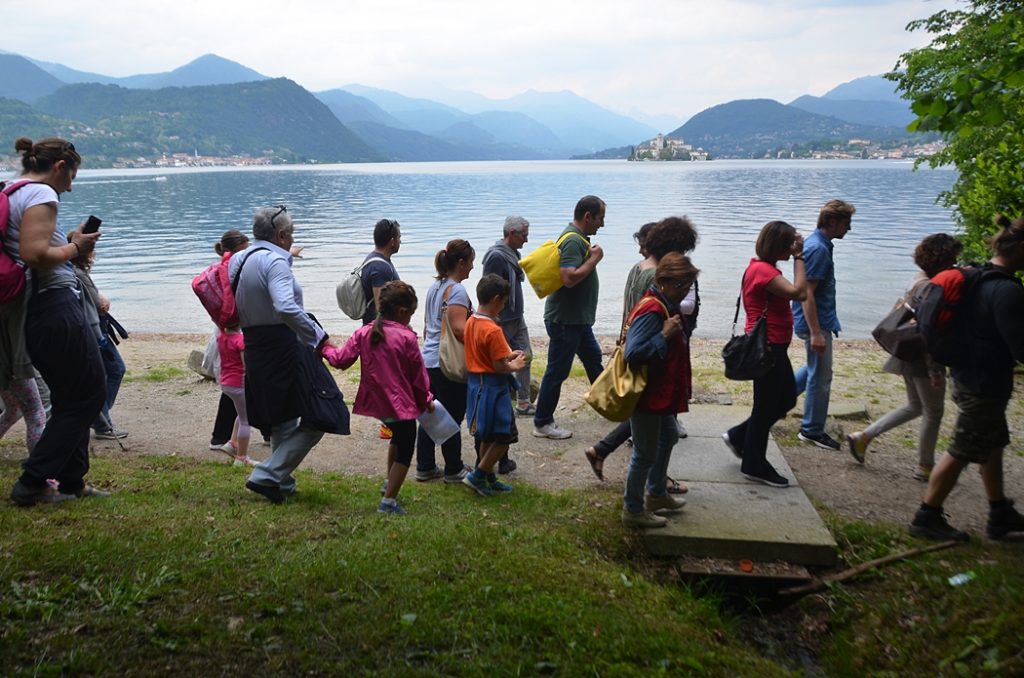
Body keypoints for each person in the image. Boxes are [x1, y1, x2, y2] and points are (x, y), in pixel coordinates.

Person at [6, 137, 108, 506]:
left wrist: (68, 245)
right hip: (55, 308)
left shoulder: (12, 191)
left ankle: (71, 481)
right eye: (72, 175)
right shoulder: (41, 195)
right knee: (91, 392)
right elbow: (35, 254)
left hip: (35, 311)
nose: (71, 185)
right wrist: (75, 248)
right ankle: (33, 481)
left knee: (70, 397)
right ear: (60, 166)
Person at [909, 215, 1024, 542]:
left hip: (967, 374)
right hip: (983, 383)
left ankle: (999, 511)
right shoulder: (1006, 291)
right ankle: (925, 517)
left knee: (992, 443)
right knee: (962, 449)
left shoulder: (976, 276)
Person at [584, 217, 697, 483]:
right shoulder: (656, 276)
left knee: (659, 427)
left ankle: (606, 453)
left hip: (638, 345)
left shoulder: (639, 267)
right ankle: (651, 487)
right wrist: (662, 336)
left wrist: (624, 340)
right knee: (649, 426)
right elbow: (647, 315)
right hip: (649, 358)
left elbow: (630, 309)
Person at [231, 205, 328, 504]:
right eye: (291, 234)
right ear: (281, 235)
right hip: (281, 345)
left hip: (254, 344)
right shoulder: (275, 262)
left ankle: (279, 483)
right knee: (323, 413)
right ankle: (266, 474)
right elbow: (285, 306)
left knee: (282, 420)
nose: (292, 239)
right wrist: (316, 334)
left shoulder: (239, 258)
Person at [846, 234, 961, 481]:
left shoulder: (917, 280)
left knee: (916, 406)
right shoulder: (933, 287)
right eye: (953, 257)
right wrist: (935, 370)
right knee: (933, 411)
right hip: (923, 357)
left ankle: (863, 437)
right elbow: (929, 331)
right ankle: (925, 466)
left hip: (907, 353)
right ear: (944, 258)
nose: (955, 262)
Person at [322, 281, 433, 516]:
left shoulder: (365, 332)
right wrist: (426, 400)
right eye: (411, 314)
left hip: (378, 402)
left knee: (397, 437)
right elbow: (418, 378)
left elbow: (341, 360)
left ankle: (388, 483)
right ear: (403, 312)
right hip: (399, 403)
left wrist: (324, 348)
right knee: (406, 446)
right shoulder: (406, 338)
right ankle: (389, 502)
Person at [722, 221, 807, 488]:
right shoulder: (763, 272)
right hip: (767, 346)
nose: (791, 247)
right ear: (778, 245)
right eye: (788, 243)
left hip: (771, 345)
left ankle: (739, 437)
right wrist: (800, 256)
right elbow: (799, 292)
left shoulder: (763, 268)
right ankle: (754, 463)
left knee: (782, 400)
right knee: (769, 404)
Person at [621, 253, 699, 529]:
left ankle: (656, 493)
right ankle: (633, 509)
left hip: (659, 392)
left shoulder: (664, 303)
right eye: (683, 286)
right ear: (666, 282)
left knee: (668, 435)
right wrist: (664, 335)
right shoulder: (652, 309)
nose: (686, 292)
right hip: (646, 394)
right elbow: (634, 352)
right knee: (644, 452)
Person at [532, 195, 606, 440]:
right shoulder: (574, 241)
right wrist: (594, 260)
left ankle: (611, 406)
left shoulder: (577, 238)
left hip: (577, 320)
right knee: (557, 371)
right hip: (565, 321)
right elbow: (568, 277)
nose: (602, 224)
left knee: (594, 359)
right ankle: (542, 422)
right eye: (600, 218)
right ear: (588, 216)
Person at [793, 199, 856, 451]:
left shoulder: (818, 245)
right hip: (814, 324)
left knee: (812, 369)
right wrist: (816, 332)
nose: (849, 228)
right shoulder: (818, 248)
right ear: (832, 222)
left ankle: (776, 401)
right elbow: (807, 292)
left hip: (815, 321)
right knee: (821, 377)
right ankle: (811, 430)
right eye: (846, 223)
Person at [414, 239, 475, 483]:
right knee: (451, 416)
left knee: (431, 413)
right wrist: (482, 328)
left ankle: (425, 465)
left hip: (428, 359)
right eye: (470, 262)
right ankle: (454, 469)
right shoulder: (457, 290)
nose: (472, 267)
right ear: (460, 263)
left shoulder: (435, 287)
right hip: (446, 363)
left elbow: (430, 324)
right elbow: (460, 330)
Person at [462, 274, 528, 497]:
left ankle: (488, 477)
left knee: (487, 435)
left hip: (475, 386)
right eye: (505, 301)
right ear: (497, 299)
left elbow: (486, 354)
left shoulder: (471, 321)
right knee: (504, 437)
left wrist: (508, 355)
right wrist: (515, 364)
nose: (505, 306)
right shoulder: (493, 330)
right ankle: (478, 475)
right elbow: (499, 366)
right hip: (494, 389)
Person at [482, 216, 531, 474]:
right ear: (511, 233)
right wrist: (495, 317)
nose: (527, 239)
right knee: (504, 362)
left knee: (527, 356)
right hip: (503, 319)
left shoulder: (511, 253)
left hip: (516, 317)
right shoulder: (496, 256)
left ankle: (523, 400)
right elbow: (491, 287)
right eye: (524, 234)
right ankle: (514, 396)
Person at [68, 234, 128, 440]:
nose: (94, 253)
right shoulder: (79, 274)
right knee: (115, 369)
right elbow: (100, 306)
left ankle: (99, 418)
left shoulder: (69, 271)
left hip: (85, 331)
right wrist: (102, 299)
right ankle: (101, 420)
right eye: (92, 249)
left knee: (100, 374)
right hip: (94, 332)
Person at [207, 229, 251, 450]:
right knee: (244, 384)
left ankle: (222, 436)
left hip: (227, 332)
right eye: (245, 251)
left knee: (236, 388)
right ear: (232, 252)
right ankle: (222, 437)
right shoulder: (229, 273)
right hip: (235, 332)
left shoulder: (224, 271)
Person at [217, 322, 257, 466]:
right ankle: (241, 458)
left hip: (226, 383)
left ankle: (232, 443)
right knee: (246, 421)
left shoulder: (221, 337)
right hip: (239, 384)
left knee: (241, 414)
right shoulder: (240, 340)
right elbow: (246, 366)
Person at [359, 218, 402, 326]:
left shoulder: (375, 260)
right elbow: (380, 308)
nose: (400, 241)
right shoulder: (379, 267)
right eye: (399, 238)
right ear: (392, 242)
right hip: (378, 332)